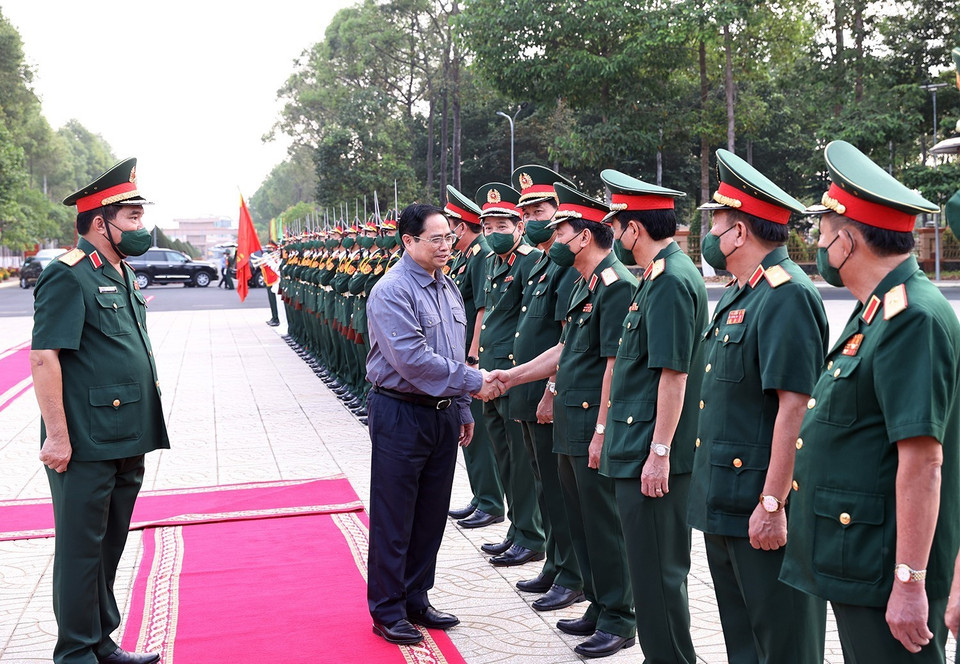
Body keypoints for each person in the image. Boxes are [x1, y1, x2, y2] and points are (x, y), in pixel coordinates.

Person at [780, 140, 960, 663]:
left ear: (850, 239)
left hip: (884, 566)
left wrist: (910, 582)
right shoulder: (877, 310)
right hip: (859, 555)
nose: (818, 242)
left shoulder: (912, 319)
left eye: (824, 232)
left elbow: (924, 460)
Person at [688, 148, 828, 664]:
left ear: (741, 232)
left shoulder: (786, 295)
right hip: (726, 498)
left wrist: (773, 503)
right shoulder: (740, 293)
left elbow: (795, 407)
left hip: (758, 502)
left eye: (718, 224)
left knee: (783, 644)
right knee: (744, 642)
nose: (711, 236)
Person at [487, 183, 638, 658]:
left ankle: (620, 617)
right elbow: (562, 350)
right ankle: (597, 603)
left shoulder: (616, 287)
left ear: (586, 236)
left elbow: (615, 364)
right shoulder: (584, 282)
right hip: (571, 422)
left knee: (603, 524)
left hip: (589, 423)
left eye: (560, 231)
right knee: (582, 521)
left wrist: (601, 432)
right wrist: (510, 377)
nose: (552, 240)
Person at [30, 158, 168, 664]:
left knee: (108, 547)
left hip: (126, 434)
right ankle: (75, 653)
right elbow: (46, 357)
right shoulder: (68, 275)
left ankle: (100, 642)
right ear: (98, 222)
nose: (140, 226)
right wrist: (57, 436)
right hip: (86, 440)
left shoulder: (120, 272)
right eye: (131, 216)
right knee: (80, 550)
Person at [365, 203, 503, 645]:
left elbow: (452, 352)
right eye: (436, 239)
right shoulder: (392, 291)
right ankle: (387, 610)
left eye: (449, 237)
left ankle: (415, 598)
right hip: (401, 412)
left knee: (429, 515)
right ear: (408, 242)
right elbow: (413, 361)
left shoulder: (447, 286)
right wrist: (475, 383)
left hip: (442, 414)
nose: (447, 246)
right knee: (395, 515)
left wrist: (463, 406)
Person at [599, 169, 706, 664]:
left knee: (659, 574)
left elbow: (673, 374)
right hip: (638, 445)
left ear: (634, 229)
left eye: (617, 226)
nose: (615, 237)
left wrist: (660, 452)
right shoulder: (655, 277)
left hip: (651, 453)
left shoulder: (669, 281)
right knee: (649, 572)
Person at [508, 164, 583, 610]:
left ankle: (571, 572)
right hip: (530, 389)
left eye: (542, 211)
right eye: (528, 214)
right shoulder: (542, 265)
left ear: (561, 215)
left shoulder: (570, 267)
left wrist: (551, 390)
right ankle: (556, 563)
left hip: (550, 394)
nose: (534, 220)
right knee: (543, 485)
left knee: (559, 489)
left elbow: (566, 339)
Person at [473, 182, 547, 566]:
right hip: (490, 372)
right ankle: (516, 529)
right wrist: (473, 359)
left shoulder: (531, 261)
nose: (493, 234)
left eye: (502, 226)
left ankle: (531, 535)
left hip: (513, 373)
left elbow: (527, 324)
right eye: (487, 227)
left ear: (519, 227)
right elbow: (486, 312)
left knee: (521, 462)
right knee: (503, 454)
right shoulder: (490, 261)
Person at [445, 185, 506, 529]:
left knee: (477, 430)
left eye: (451, 224)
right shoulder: (466, 257)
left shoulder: (481, 254)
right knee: (468, 430)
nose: (448, 232)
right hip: (463, 353)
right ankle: (481, 495)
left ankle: (491, 500)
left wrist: (472, 355)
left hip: (474, 354)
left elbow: (483, 308)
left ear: (462, 225)